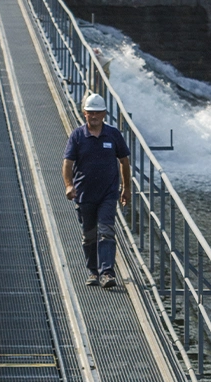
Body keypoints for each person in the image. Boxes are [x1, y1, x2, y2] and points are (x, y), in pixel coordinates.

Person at [62, 92, 131, 288]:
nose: (94, 116)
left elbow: (124, 161)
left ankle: (107, 273)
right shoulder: (77, 136)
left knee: (106, 231)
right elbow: (67, 163)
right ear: (84, 113)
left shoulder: (113, 134)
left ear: (104, 114)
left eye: (97, 113)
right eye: (90, 113)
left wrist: (126, 189)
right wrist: (69, 185)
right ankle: (93, 271)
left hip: (108, 193)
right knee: (89, 235)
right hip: (84, 194)